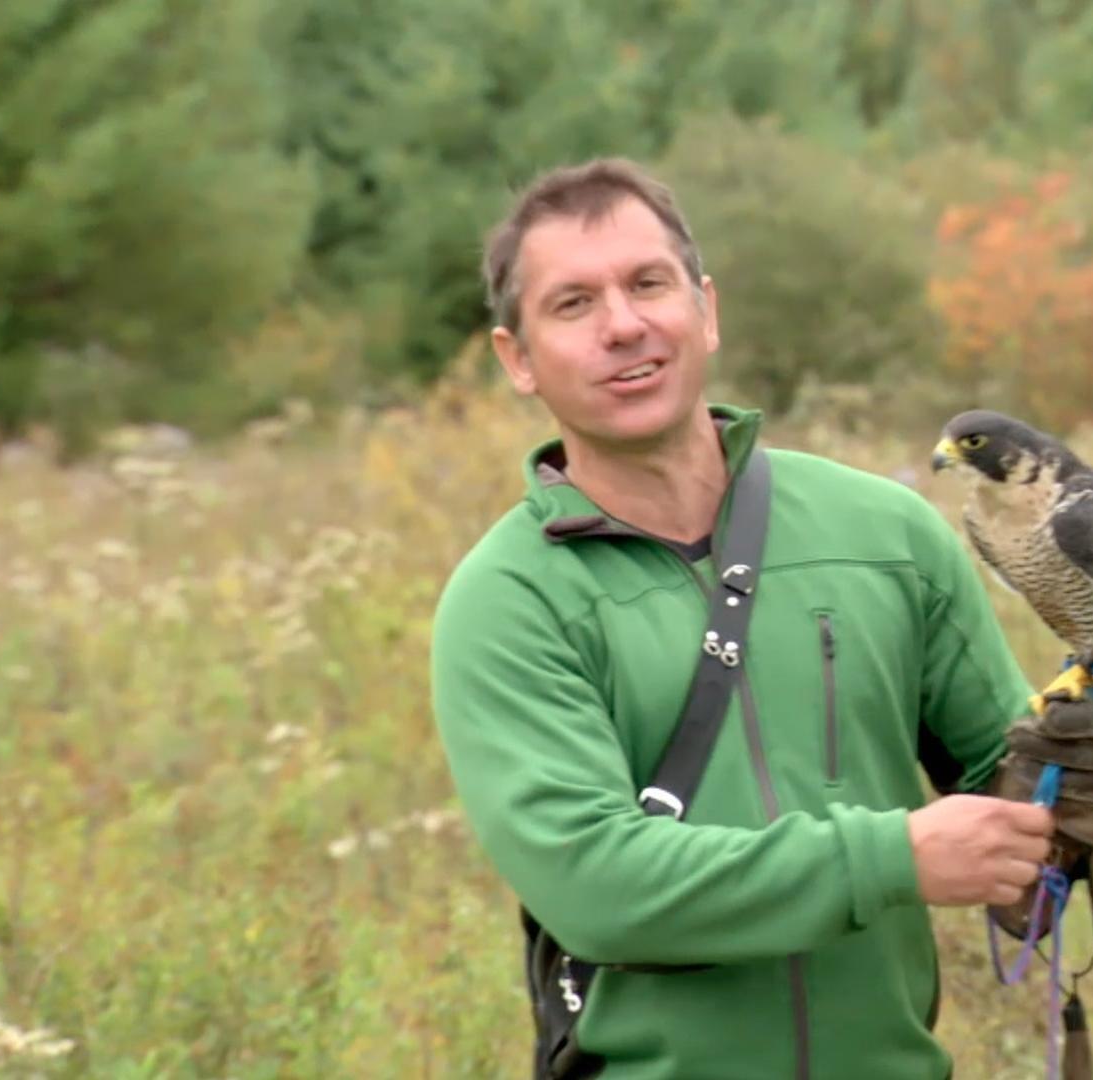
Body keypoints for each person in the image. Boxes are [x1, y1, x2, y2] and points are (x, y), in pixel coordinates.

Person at [429, 158, 1055, 1080]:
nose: (624, 325)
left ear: (706, 310)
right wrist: (892, 856)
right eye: (573, 305)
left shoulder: (886, 533)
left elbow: (1015, 782)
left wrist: (1078, 777)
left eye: (649, 284)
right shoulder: (509, 601)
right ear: (517, 359)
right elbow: (600, 888)